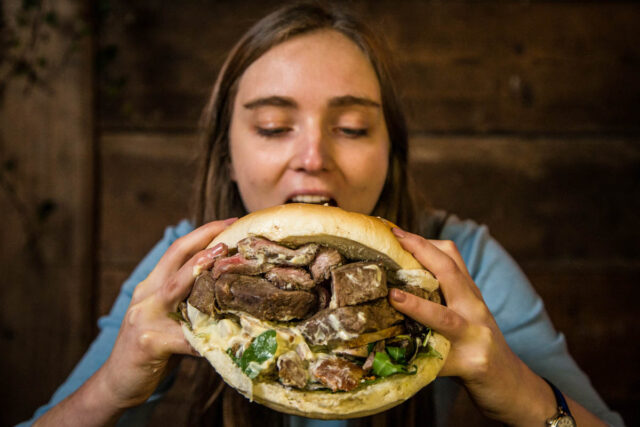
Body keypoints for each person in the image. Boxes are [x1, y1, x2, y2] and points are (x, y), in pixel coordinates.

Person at [22, 2, 623, 426]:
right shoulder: (189, 261)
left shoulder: (462, 259)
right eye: (273, 127)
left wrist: (517, 390)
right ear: (227, 155)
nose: (312, 158)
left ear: (393, 150)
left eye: (353, 127)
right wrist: (111, 390)